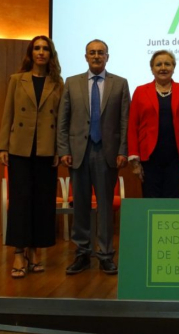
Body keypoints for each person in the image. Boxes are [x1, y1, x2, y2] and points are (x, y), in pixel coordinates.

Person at [57, 39, 130, 275]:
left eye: (101, 53)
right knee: (80, 205)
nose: (96, 56)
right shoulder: (71, 82)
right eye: (92, 53)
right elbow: (63, 120)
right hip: (78, 152)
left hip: (107, 153)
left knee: (105, 207)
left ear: (107, 57)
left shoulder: (119, 83)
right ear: (85, 57)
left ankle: (106, 254)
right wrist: (64, 150)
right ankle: (82, 253)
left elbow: (124, 121)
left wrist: (122, 150)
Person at [0, 35, 63, 279]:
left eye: (45, 48)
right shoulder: (17, 80)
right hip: (20, 149)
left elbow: (60, 120)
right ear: (30, 53)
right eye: (37, 48)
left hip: (46, 150)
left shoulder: (57, 82)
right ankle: (18, 252)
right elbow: (8, 114)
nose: (41, 52)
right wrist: (2, 146)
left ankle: (34, 253)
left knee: (42, 202)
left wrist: (59, 150)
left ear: (51, 54)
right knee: (20, 201)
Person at [128, 50, 179, 198]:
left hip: (176, 158)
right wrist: (134, 160)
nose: (163, 67)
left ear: (174, 67)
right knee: (151, 204)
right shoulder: (140, 91)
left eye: (167, 64)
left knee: (172, 203)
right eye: (158, 64)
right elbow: (133, 126)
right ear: (152, 68)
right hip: (149, 159)